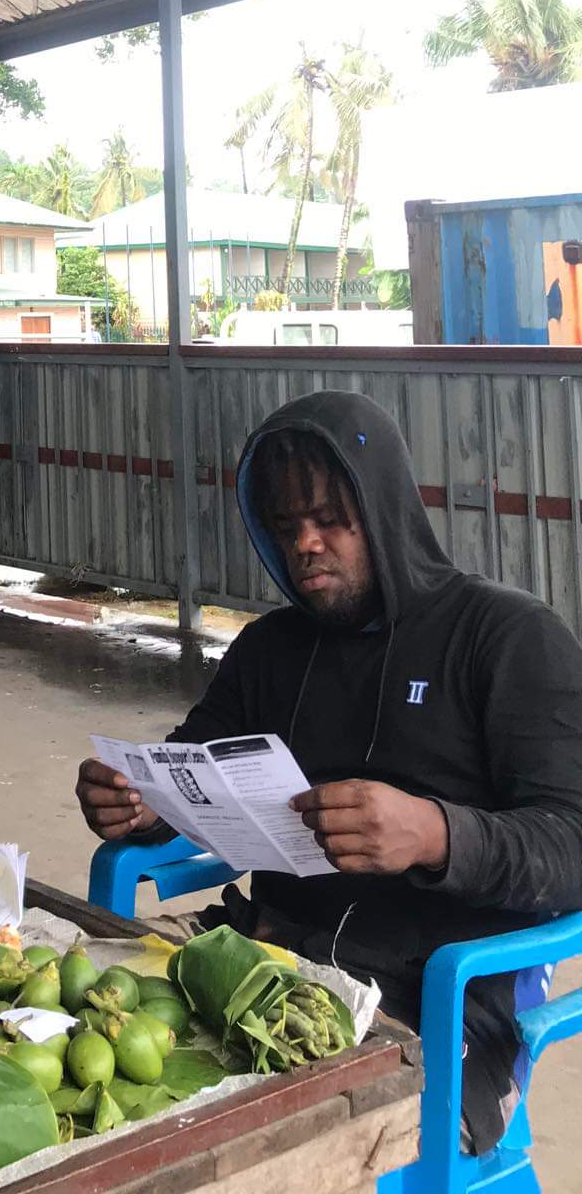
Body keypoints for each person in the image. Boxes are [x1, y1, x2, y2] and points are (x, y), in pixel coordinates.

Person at [75, 389, 582, 1156]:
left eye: (330, 521)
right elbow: (193, 760)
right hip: (260, 955)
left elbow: (571, 843)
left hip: (441, 1003)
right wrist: (140, 806)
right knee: (74, 1053)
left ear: (383, 512)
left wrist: (435, 834)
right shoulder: (271, 649)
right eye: (285, 528)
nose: (304, 545)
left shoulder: (506, 638)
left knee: (261, 1151)